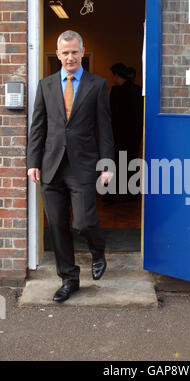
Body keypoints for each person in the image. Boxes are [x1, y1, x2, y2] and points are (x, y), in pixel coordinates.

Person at [27, 30, 114, 303]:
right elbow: (38, 127)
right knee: (57, 225)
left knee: (85, 221)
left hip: (83, 165)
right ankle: (69, 279)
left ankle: (97, 251)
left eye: (75, 52)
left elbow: (105, 128)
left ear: (82, 51)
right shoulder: (46, 85)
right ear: (58, 54)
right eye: (65, 53)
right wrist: (32, 162)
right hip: (51, 165)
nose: (70, 57)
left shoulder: (97, 85)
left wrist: (107, 164)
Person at [109, 63, 143, 199]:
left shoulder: (116, 91)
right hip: (134, 134)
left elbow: (111, 113)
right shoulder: (137, 90)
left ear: (117, 75)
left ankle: (115, 194)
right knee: (131, 162)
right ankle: (131, 193)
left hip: (118, 134)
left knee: (116, 163)